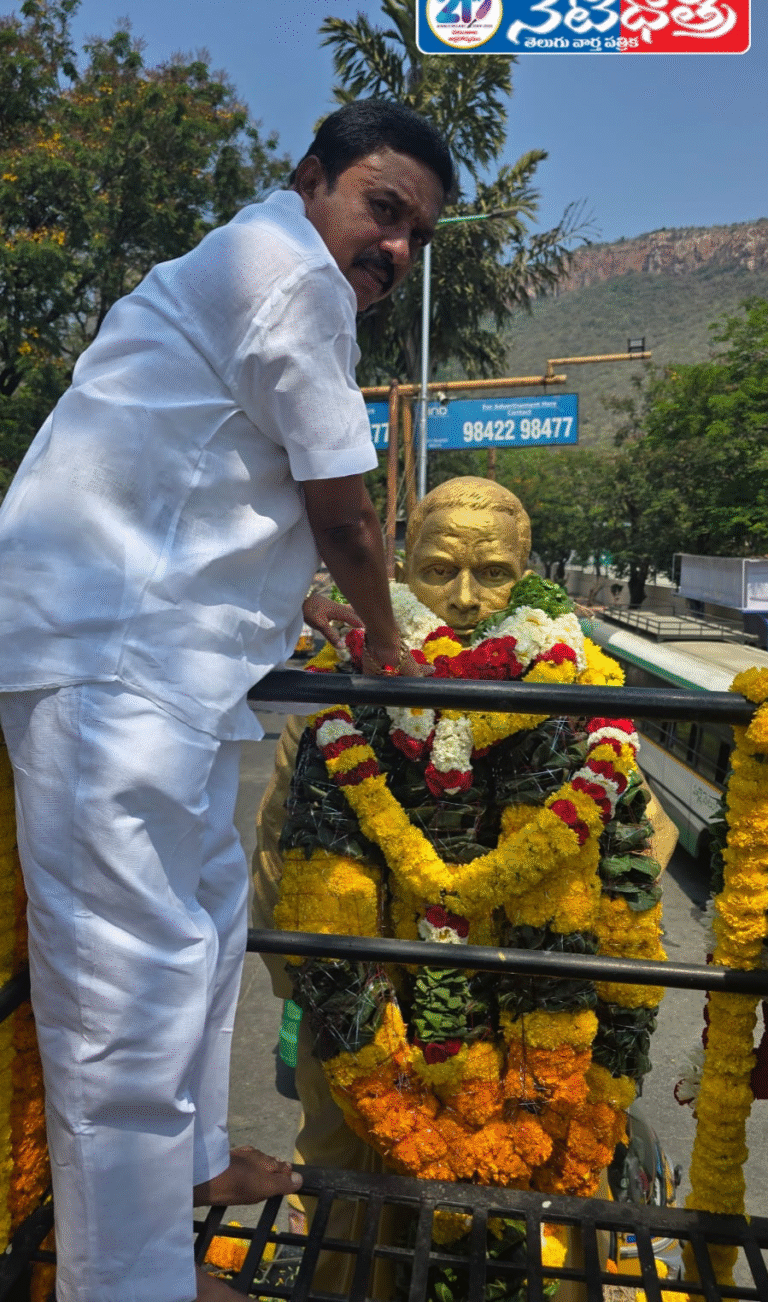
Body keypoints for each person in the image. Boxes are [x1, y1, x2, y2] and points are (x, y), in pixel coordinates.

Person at [0, 99, 453, 1302]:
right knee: (126, 990)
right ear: (314, 181)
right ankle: (132, 1281)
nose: (395, 248)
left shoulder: (245, 263)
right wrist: (386, 640)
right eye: (383, 209)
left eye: (415, 234)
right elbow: (343, 509)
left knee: (204, 935)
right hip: (114, 665)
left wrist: (291, 607)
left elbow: (212, 483)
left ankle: (192, 1165)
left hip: (168, 666)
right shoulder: (286, 271)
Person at [253, 477, 678, 1296]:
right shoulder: (334, 698)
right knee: (354, 1216)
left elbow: (635, 869)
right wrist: (359, 1011)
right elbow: (285, 878)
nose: (466, 598)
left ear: (527, 574)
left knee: (548, 1214)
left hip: (532, 1027)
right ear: (402, 568)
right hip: (375, 1016)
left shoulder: (579, 697)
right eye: (439, 569)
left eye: (493, 573)